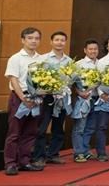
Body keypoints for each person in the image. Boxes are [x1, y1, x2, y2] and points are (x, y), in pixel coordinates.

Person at [4, 27, 44, 176]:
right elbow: (13, 79)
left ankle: (24, 161)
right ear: (23, 40)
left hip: (36, 100)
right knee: (14, 133)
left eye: (37, 38)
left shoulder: (41, 59)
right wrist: (24, 98)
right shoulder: (16, 58)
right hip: (19, 98)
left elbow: (45, 81)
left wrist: (38, 96)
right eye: (30, 38)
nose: (34, 41)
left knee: (30, 132)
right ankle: (10, 163)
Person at [32, 31, 72, 167]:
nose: (60, 42)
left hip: (62, 98)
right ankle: (39, 156)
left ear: (65, 42)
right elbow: (37, 78)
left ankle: (53, 154)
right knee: (41, 128)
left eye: (62, 40)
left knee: (58, 127)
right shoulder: (43, 59)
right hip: (46, 98)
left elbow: (72, 80)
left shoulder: (69, 61)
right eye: (57, 40)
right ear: (51, 42)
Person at [72, 39, 100, 163]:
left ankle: (85, 150)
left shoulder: (101, 64)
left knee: (90, 127)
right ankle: (78, 152)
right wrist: (80, 92)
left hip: (97, 99)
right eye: (90, 49)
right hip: (82, 100)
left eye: (95, 49)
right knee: (80, 127)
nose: (93, 51)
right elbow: (71, 83)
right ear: (85, 50)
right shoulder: (78, 64)